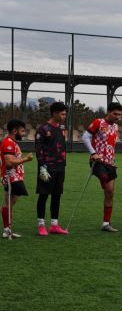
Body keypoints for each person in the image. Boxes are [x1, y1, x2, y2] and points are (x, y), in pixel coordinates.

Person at [82, 102, 122, 232]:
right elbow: (85, 137)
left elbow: (111, 145)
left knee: (110, 193)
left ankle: (106, 223)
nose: (117, 117)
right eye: (115, 114)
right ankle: (103, 181)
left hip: (110, 163)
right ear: (108, 112)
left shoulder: (116, 127)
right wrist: (93, 153)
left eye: (120, 115)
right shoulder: (98, 122)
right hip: (97, 161)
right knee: (107, 184)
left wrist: (113, 159)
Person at [34, 102, 69, 236]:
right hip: (47, 169)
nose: (64, 116)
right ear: (54, 113)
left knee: (57, 196)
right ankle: (41, 225)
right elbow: (39, 150)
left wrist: (64, 164)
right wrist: (42, 167)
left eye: (65, 113)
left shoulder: (62, 128)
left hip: (60, 168)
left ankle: (54, 225)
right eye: (62, 113)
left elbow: (62, 147)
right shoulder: (43, 129)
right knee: (43, 196)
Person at [1, 120, 33, 239]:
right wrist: (26, 159)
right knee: (9, 202)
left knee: (10, 202)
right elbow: (9, 162)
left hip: (15, 177)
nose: (23, 133)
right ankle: (7, 229)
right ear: (15, 131)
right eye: (22, 131)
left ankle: (7, 229)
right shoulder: (8, 142)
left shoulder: (12, 142)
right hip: (11, 177)